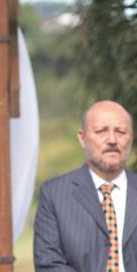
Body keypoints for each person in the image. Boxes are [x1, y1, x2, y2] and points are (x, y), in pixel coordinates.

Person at [33, 100, 137, 271]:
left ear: (131, 139)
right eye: (101, 131)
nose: (112, 140)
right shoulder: (54, 195)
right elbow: (49, 264)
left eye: (120, 131)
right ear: (82, 138)